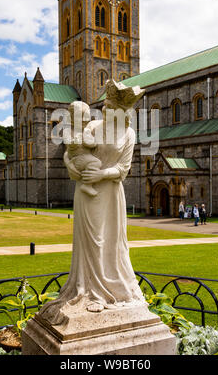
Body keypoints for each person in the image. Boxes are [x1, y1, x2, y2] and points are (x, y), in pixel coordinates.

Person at [39, 79, 146, 320]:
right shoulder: (94, 127)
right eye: (105, 104)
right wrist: (71, 168)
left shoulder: (129, 134)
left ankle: (111, 291)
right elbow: (71, 151)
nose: (105, 108)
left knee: (110, 242)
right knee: (92, 241)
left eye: (110, 105)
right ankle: (89, 289)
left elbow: (124, 168)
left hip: (110, 192)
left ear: (122, 111)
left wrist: (101, 173)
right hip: (87, 192)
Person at [66, 101, 101, 197]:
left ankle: (87, 184)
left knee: (94, 162)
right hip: (79, 159)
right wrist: (74, 142)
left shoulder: (87, 130)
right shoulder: (69, 131)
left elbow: (92, 144)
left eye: (87, 117)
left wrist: (90, 142)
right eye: (81, 118)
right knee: (96, 163)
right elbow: (68, 147)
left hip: (83, 159)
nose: (85, 120)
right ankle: (87, 185)